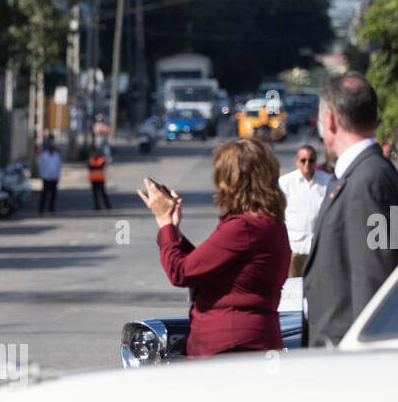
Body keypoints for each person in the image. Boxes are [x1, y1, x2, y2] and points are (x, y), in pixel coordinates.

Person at [138, 138, 291, 357]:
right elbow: (207, 265)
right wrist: (174, 230)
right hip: (251, 340)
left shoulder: (244, 227)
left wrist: (164, 222)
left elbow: (181, 272)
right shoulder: (268, 223)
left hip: (229, 344)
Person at [302, 72, 398, 347]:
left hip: (349, 356)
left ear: (329, 120)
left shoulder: (368, 179)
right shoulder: (365, 172)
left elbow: (375, 279)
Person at [278, 144, 333, 277]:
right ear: (297, 162)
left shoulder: (328, 181)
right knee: (292, 288)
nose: (307, 164)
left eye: (311, 160)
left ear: (315, 161)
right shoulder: (285, 182)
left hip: (319, 248)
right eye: (303, 160)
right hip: (294, 248)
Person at [37, 137, 62, 214]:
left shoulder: (56, 155)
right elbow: (41, 166)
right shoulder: (44, 156)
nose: (52, 148)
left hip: (54, 177)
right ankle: (41, 208)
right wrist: (42, 175)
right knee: (45, 193)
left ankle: (51, 208)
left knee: (53, 194)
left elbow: (59, 166)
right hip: (46, 177)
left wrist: (58, 175)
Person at [87, 146, 111, 210]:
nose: (95, 153)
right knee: (95, 194)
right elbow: (89, 167)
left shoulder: (102, 158)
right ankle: (97, 206)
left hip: (100, 179)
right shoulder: (91, 159)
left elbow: (101, 166)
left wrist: (94, 166)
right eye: (94, 152)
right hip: (93, 179)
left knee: (103, 193)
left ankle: (107, 205)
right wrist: (96, 166)